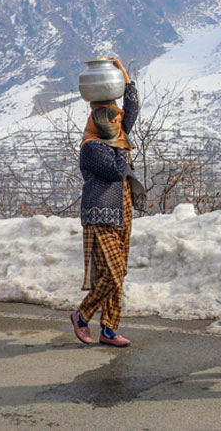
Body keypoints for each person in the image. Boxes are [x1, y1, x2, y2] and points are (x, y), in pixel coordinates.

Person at [70, 57, 143, 348]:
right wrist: (120, 141)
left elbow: (132, 109)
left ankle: (109, 329)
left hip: (123, 213)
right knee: (112, 274)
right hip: (101, 216)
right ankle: (82, 315)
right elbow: (115, 170)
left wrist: (124, 75)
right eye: (113, 118)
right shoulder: (92, 147)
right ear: (102, 121)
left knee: (118, 274)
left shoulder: (115, 137)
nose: (119, 121)